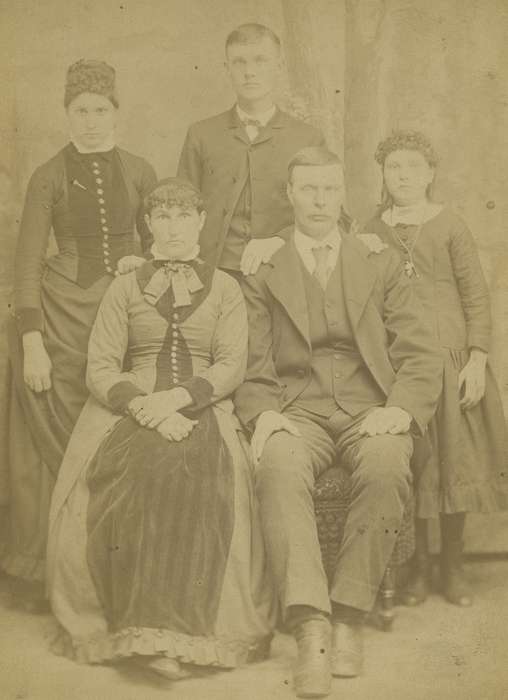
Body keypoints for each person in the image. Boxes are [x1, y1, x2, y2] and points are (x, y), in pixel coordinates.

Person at [234, 146, 443, 698]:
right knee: (277, 466)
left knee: (387, 462)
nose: (320, 201)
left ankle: (349, 613)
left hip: (366, 407)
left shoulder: (374, 258)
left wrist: (398, 409)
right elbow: (251, 359)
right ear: (291, 194)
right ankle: (312, 626)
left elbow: (420, 350)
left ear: (341, 193)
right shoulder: (265, 264)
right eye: (309, 190)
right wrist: (265, 415)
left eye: (330, 189)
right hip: (295, 408)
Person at [47, 178, 275, 681]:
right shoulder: (125, 286)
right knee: (133, 475)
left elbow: (232, 363)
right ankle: (137, 630)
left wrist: (179, 399)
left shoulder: (226, 287)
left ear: (200, 222)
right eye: (163, 218)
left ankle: (182, 632)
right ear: (148, 225)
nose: (173, 228)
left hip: (204, 404)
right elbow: (101, 367)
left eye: (183, 217)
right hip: (130, 407)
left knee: (199, 478)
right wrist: (146, 408)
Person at [1, 59, 157, 609]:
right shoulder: (47, 174)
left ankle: (111, 567)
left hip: (119, 313)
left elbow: (161, 243)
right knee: (53, 447)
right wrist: (31, 339)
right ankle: (48, 571)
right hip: (59, 316)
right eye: (80, 111)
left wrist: (141, 256)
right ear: (66, 115)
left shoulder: (139, 170)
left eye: (100, 110)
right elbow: (24, 263)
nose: (91, 121)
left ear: (116, 112)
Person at [364, 130, 508, 608]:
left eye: (412, 167)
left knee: (455, 463)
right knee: (418, 465)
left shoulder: (450, 225)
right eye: (393, 168)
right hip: (403, 366)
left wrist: (477, 357)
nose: (403, 176)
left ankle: (452, 566)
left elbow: (476, 296)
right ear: (382, 174)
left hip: (452, 361)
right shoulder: (371, 229)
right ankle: (418, 565)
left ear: (429, 174)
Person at [177, 22, 325, 278]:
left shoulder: (307, 138)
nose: (249, 72)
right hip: (214, 273)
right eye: (239, 62)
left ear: (278, 67)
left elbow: (328, 212)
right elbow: (180, 210)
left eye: (260, 61)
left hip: (285, 272)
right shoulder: (201, 134)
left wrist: (279, 239)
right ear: (227, 70)